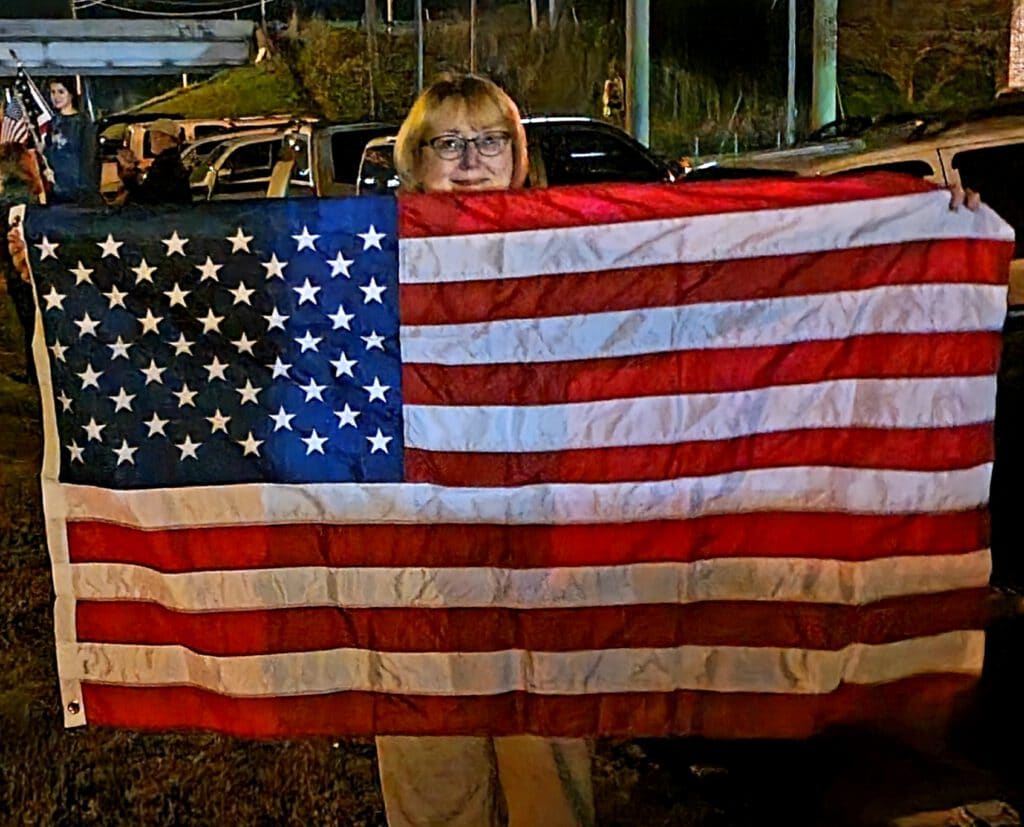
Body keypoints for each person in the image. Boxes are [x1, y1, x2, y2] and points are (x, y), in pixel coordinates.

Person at [380, 73, 595, 827]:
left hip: (538, 554)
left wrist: (922, 226)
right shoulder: (368, 260)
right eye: (449, 142)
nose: (471, 159)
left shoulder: (567, 250)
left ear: (518, 155)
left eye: (490, 139)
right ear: (416, 162)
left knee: (549, 779)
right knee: (433, 781)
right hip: (416, 559)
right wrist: (59, 249)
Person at [1, 141, 46, 383]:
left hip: (19, 267)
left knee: (29, 321)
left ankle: (34, 372)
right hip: (30, 267)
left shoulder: (11, 195)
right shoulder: (30, 192)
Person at [44, 77, 97, 204]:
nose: (56, 96)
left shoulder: (82, 123)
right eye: (53, 92)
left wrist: (84, 190)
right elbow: (49, 152)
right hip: (55, 190)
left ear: (71, 94)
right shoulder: (53, 123)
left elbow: (89, 157)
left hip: (78, 192)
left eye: (61, 92)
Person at [116, 118, 191, 205]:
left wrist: (128, 176)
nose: (151, 141)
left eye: (154, 137)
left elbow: (146, 198)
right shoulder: (169, 162)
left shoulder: (166, 166)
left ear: (167, 139)